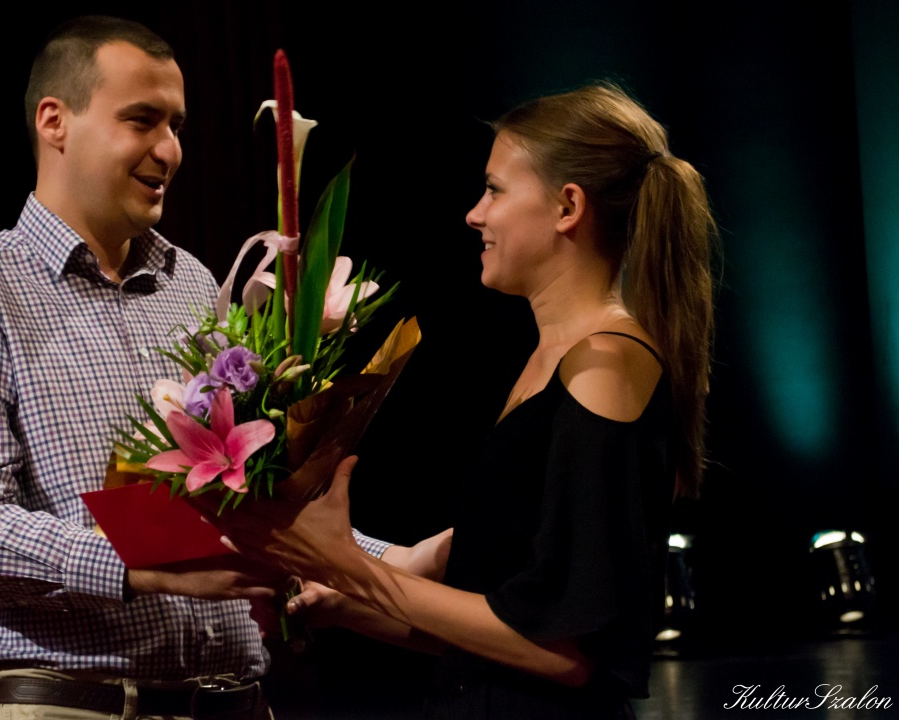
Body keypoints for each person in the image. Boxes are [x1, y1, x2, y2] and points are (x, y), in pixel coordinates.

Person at [0, 15, 442, 720]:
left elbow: (239, 506)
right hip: (80, 708)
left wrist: (388, 559)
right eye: (141, 120)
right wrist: (142, 564)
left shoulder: (191, 284)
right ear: (55, 122)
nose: (170, 150)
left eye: (176, 125)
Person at [199, 82, 717, 719]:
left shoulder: (605, 364)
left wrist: (350, 567)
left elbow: (562, 652)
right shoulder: (554, 359)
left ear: (567, 206)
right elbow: (496, 633)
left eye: (494, 190)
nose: (474, 214)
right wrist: (346, 606)